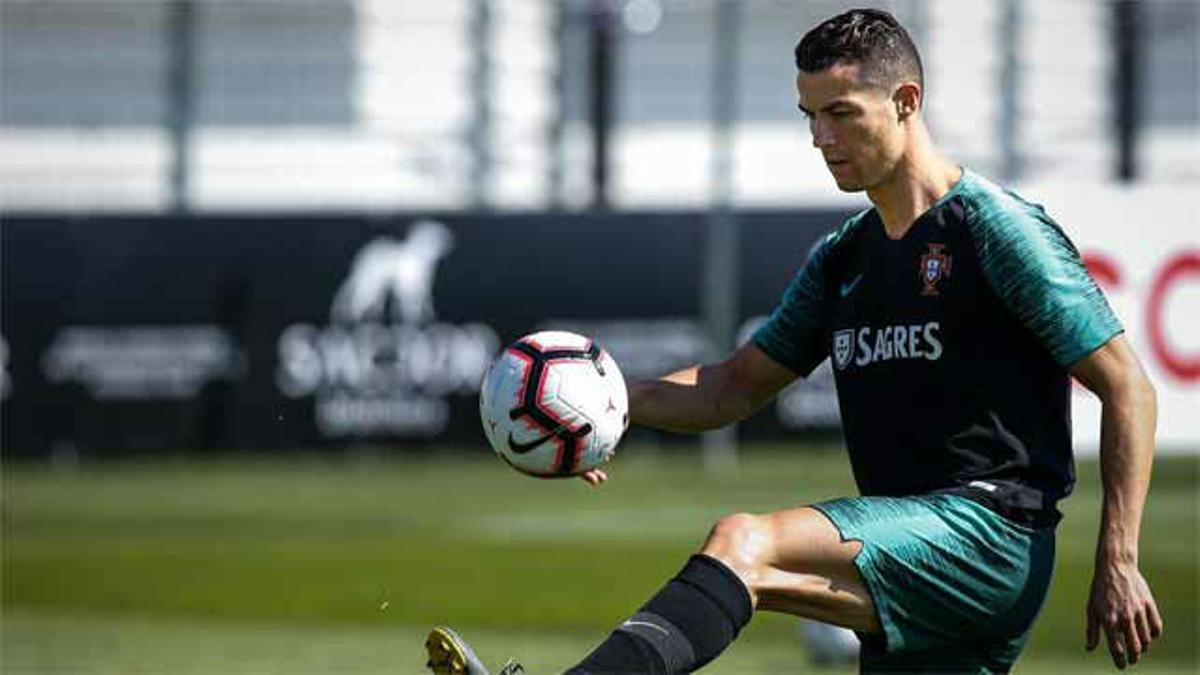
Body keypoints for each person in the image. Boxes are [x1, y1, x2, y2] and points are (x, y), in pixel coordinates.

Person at [426, 8, 1162, 673]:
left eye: (841, 113)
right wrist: (605, 408)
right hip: (907, 545)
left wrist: (1119, 559)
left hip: (987, 535)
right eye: (810, 116)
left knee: (747, 541)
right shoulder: (844, 258)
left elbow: (1127, 384)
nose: (822, 138)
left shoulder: (994, 230)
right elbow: (733, 386)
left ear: (908, 102)